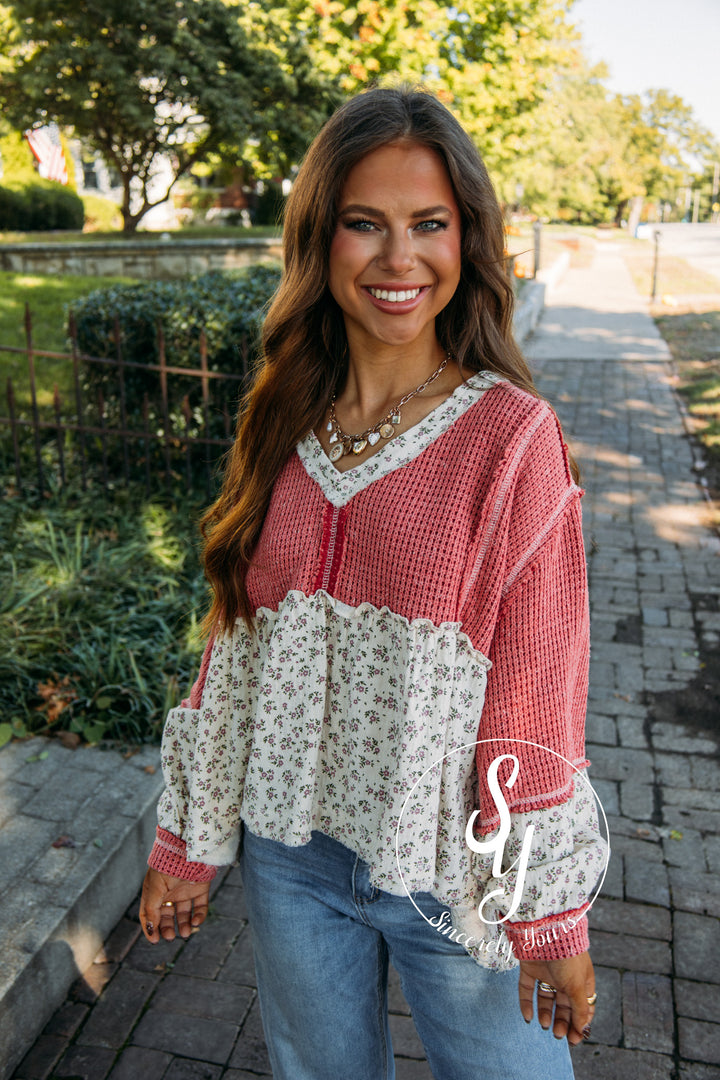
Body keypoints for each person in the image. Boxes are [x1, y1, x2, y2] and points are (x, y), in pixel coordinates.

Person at [140, 87, 606, 1080]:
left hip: (453, 877)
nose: (401, 259)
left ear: (464, 241)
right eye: (366, 224)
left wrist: (548, 911)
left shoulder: (511, 440)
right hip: (291, 859)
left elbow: (536, 696)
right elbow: (236, 647)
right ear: (323, 240)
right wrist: (186, 843)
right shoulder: (283, 422)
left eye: (429, 224)